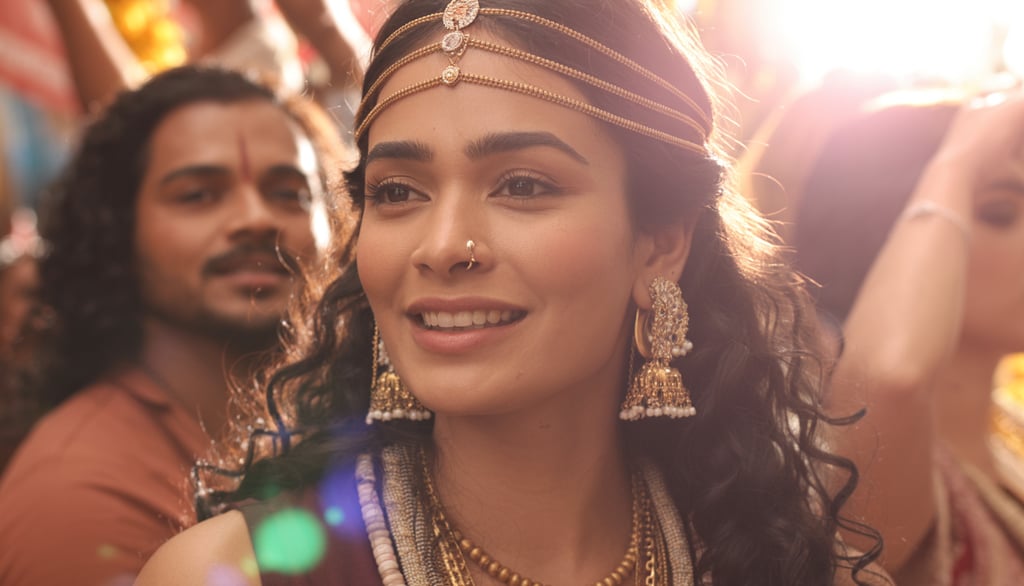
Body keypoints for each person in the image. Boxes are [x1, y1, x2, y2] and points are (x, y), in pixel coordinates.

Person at [137, 2, 885, 585]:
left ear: (661, 241)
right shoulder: (230, 572)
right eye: (397, 192)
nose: (442, 247)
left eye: (522, 186)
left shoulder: (782, 562)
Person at [0, 65, 347, 586]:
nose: (256, 218)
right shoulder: (81, 496)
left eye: (288, 193)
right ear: (118, 232)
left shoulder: (346, 416)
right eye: (198, 195)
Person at [792, 89, 1024, 584]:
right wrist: (960, 158)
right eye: (1002, 213)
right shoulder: (869, 455)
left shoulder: (1010, 436)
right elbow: (888, 376)